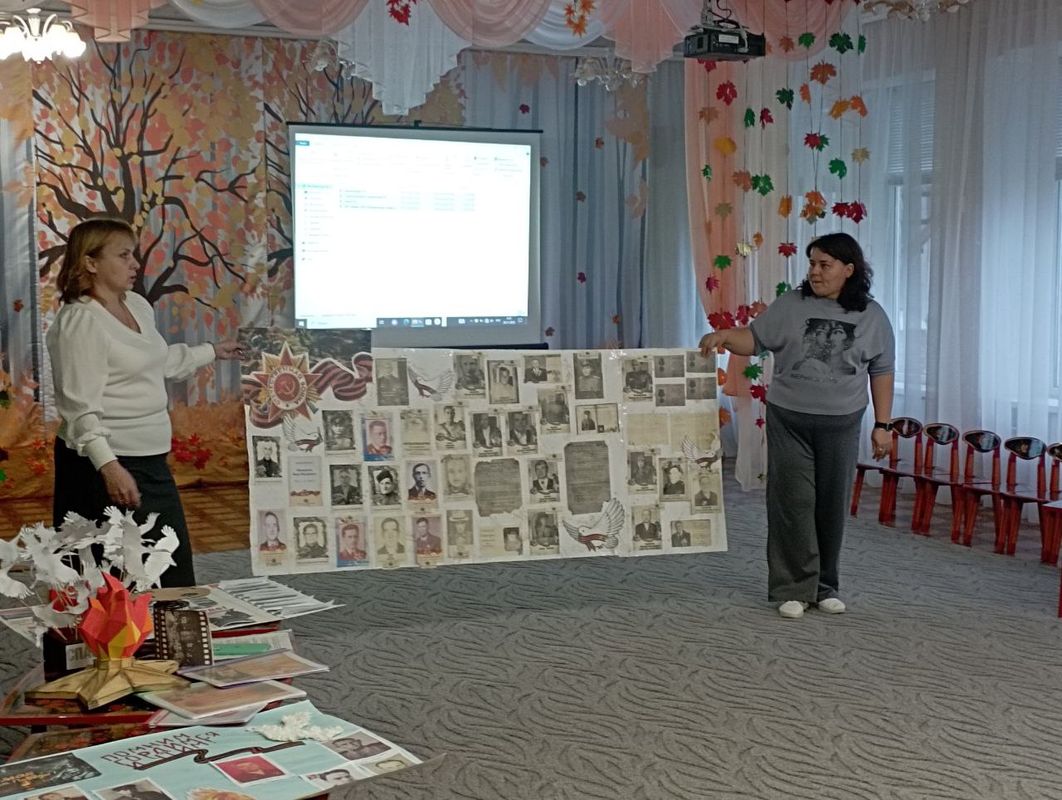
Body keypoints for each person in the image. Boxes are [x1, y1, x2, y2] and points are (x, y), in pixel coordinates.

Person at [700, 232, 894, 620]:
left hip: (842, 423)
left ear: (848, 270)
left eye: (824, 265)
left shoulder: (872, 316)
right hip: (789, 419)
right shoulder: (792, 304)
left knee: (831, 505)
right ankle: (792, 588)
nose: (815, 272)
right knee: (792, 502)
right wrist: (724, 336)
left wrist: (883, 425)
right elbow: (755, 339)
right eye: (812, 264)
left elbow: (882, 370)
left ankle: (824, 587)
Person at [48, 218, 242, 588]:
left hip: (149, 459)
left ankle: (163, 627)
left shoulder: (137, 305)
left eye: (133, 254)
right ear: (90, 262)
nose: (135, 264)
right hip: (102, 465)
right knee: (107, 577)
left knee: (167, 569)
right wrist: (110, 467)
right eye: (123, 255)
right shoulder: (80, 321)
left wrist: (212, 351)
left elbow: (156, 362)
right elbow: (79, 408)